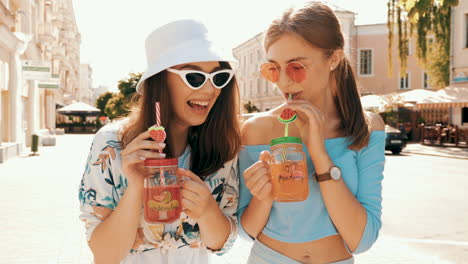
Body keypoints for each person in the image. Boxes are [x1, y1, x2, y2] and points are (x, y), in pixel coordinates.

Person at [78, 19, 241, 264]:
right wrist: (135, 188)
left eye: (219, 78)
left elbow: (219, 245)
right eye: (194, 77)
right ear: (161, 79)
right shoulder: (112, 143)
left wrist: (207, 210)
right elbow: (104, 256)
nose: (210, 90)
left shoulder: (221, 146)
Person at [238, 2, 385, 264]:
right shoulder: (257, 130)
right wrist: (263, 197)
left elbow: (362, 240)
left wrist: (319, 154)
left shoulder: (367, 127)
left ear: (334, 59)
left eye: (296, 67)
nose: (283, 82)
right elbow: (246, 231)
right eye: (273, 69)